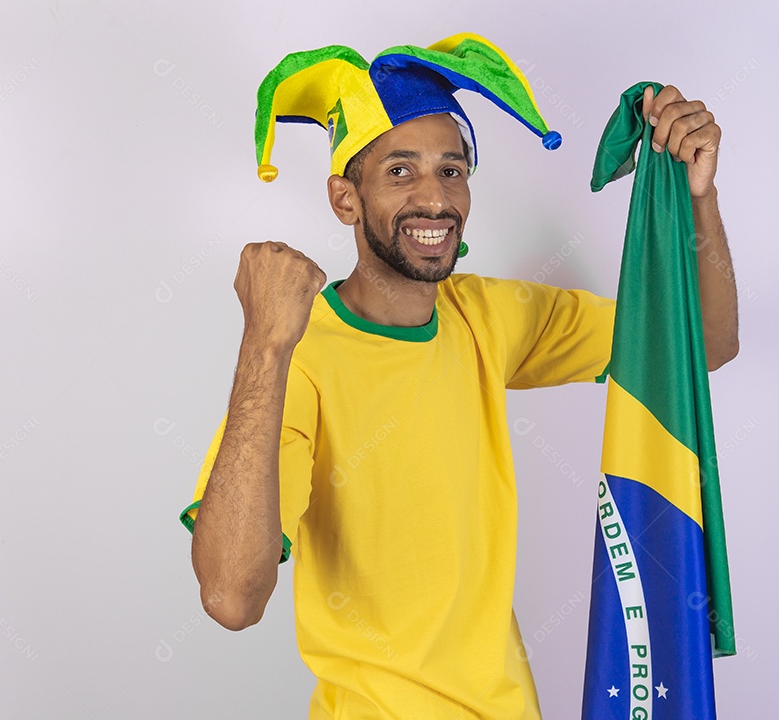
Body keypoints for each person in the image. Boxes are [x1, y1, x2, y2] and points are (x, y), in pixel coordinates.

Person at [179, 33, 738, 720]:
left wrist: (696, 199)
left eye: (451, 170)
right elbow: (231, 597)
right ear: (344, 199)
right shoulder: (301, 360)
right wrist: (264, 347)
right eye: (399, 171)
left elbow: (700, 344)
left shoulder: (487, 315)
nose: (434, 198)